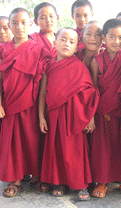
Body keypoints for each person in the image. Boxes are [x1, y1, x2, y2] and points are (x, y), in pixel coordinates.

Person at [0, 7, 52, 197]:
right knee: (13, 142)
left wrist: (41, 110)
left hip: (32, 103)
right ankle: (15, 179)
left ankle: (36, 176)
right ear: (9, 25)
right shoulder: (3, 48)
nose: (19, 27)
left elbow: (43, 80)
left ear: (31, 24)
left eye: (23, 23)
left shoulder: (39, 49)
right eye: (15, 23)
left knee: (32, 139)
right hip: (10, 103)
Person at [39, 27, 99, 201]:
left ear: (76, 47)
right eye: (63, 39)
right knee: (56, 150)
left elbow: (89, 94)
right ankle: (58, 182)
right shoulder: (48, 66)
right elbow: (42, 93)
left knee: (75, 152)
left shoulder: (79, 67)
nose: (67, 44)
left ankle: (80, 184)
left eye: (72, 42)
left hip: (75, 117)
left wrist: (90, 118)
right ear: (54, 42)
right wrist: (41, 117)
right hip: (54, 116)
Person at [90, 19, 121, 198]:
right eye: (112, 37)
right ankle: (101, 182)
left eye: (120, 37)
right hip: (102, 113)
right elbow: (94, 89)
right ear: (104, 37)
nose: (116, 41)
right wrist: (92, 115)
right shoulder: (96, 60)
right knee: (102, 149)